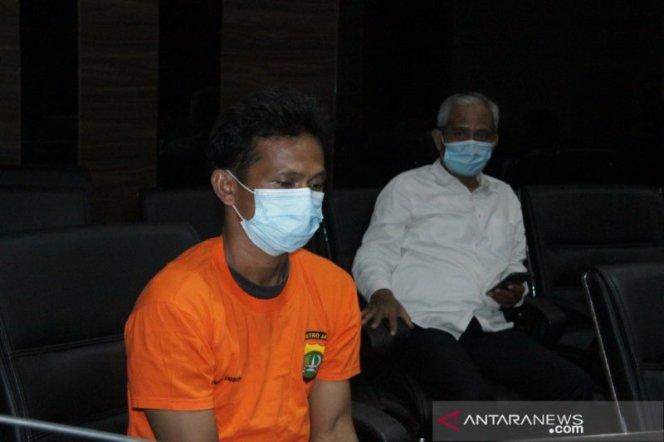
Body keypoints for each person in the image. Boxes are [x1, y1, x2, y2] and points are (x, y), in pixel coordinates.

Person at [125, 87, 361, 442]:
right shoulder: (175, 306)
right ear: (227, 187)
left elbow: (333, 429)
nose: (306, 199)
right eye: (286, 183)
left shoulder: (333, 286)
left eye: (315, 185)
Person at [353, 92, 593, 401]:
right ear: (439, 139)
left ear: (494, 141)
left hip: (486, 323)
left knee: (576, 385)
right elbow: (375, 251)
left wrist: (514, 293)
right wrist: (381, 293)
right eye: (460, 133)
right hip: (424, 323)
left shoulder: (504, 196)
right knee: (474, 403)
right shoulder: (406, 187)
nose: (471, 143)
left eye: (482, 135)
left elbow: (514, 261)